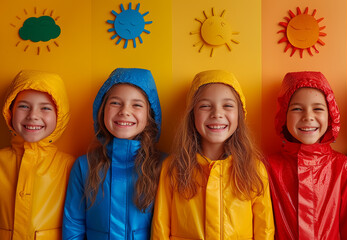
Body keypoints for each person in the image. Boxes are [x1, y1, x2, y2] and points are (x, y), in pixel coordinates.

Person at [151, 70, 274, 239]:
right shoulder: (173, 167)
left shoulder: (254, 168)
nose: (217, 114)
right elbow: (160, 228)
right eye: (205, 106)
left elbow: (264, 229)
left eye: (228, 105)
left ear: (240, 114)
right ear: (192, 114)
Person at [62, 68, 163, 240]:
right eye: (115, 103)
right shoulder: (83, 166)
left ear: (150, 114)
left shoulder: (163, 165)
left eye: (137, 105)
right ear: (102, 110)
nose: (124, 111)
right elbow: (73, 226)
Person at [267, 71, 347, 239]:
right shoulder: (268, 167)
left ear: (330, 114)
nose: (308, 117)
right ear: (284, 114)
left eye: (318, 108)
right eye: (297, 108)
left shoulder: (344, 168)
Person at [0, 70, 74, 239]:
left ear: (60, 115)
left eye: (45, 108)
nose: (33, 116)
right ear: (10, 110)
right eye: (23, 106)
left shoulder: (68, 166)